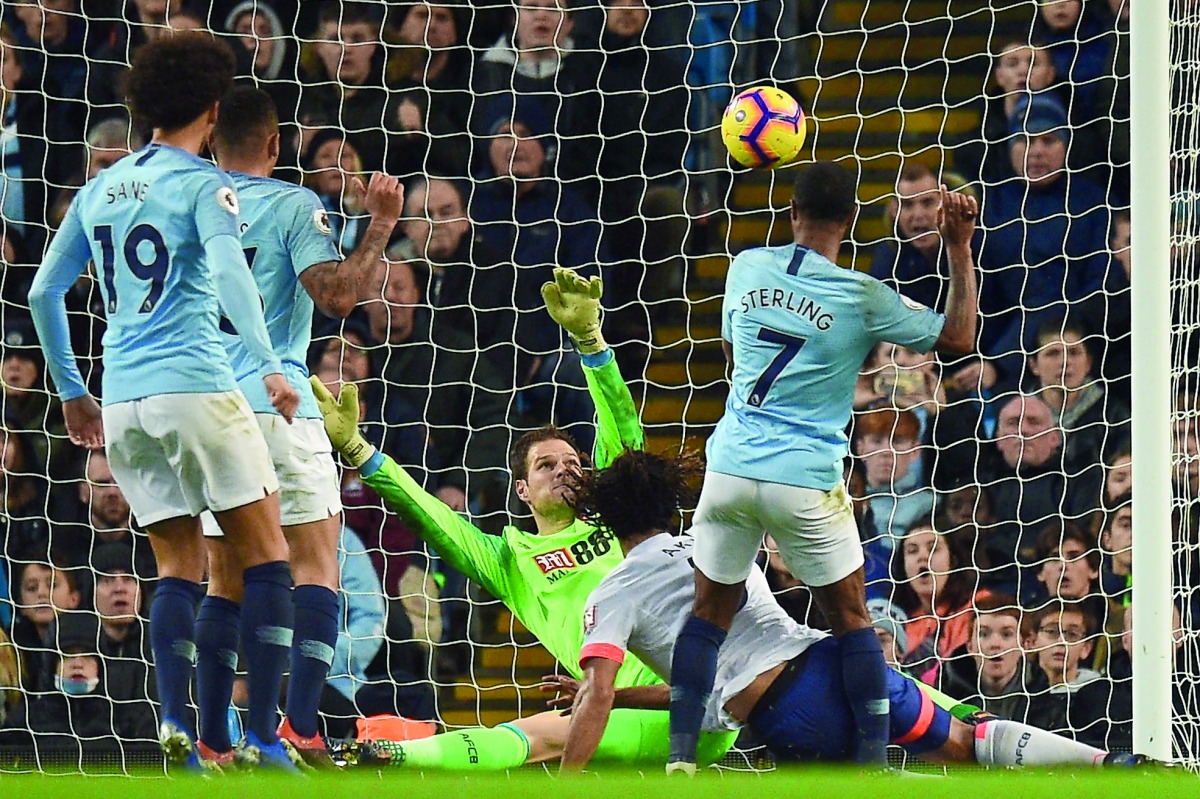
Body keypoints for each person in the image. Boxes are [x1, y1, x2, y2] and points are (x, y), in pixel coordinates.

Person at [316, 268, 738, 771]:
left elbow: (622, 429)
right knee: (541, 730)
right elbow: (430, 515)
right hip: (614, 709)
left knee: (541, 734)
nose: (565, 468)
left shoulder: (616, 516)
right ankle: (371, 754)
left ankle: (376, 756)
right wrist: (361, 452)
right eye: (546, 464)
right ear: (522, 491)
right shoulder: (509, 559)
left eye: (573, 462)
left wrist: (592, 343)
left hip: (696, 700)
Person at [27, 33, 301, 772]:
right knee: (266, 555)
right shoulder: (204, 184)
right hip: (197, 387)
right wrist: (270, 364)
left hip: (123, 401)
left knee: (179, 563)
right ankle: (265, 736)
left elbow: (42, 290)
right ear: (214, 112)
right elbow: (231, 277)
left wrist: (72, 390)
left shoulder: (100, 188)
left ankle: (183, 730)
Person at [558, 448, 1148, 771]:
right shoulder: (718, 545)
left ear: (604, 519)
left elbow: (603, 695)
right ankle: (1111, 766)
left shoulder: (614, 590)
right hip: (839, 663)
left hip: (793, 713)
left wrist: (567, 780)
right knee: (967, 747)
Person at [667, 161, 979, 770]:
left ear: (791, 213)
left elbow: (734, 353)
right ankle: (868, 764)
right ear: (854, 222)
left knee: (708, 613)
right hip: (804, 476)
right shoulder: (862, 295)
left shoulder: (745, 266)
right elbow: (960, 338)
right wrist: (959, 248)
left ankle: (680, 759)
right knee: (852, 618)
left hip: (729, 465)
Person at [199, 84, 403, 768]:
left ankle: (215, 739)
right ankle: (300, 726)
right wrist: (379, 222)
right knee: (315, 562)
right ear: (277, 143)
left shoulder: (186, 208)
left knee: (223, 579)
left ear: (207, 139)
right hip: (278, 400)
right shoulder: (294, 203)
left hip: (208, 409)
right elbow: (339, 295)